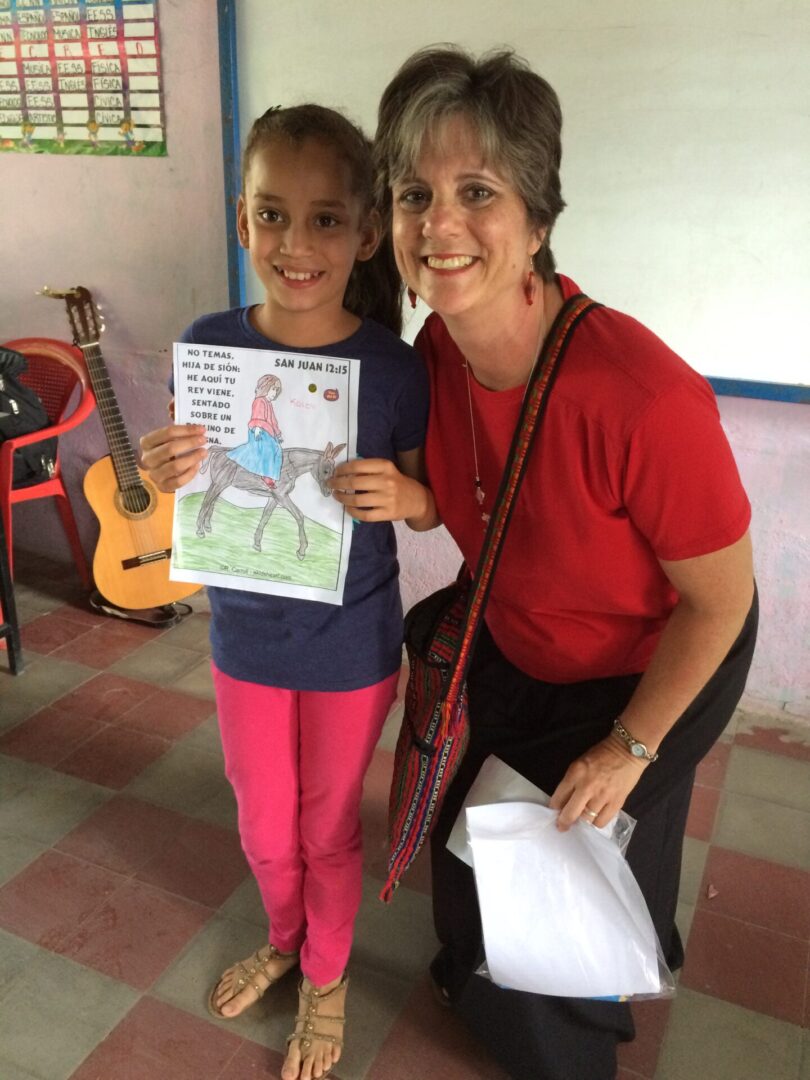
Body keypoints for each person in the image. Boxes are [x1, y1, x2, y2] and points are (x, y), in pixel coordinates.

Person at [331, 46, 757, 1080]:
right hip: (515, 637)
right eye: (413, 194)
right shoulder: (436, 350)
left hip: (650, 664)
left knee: (565, 887)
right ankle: (503, 963)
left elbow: (718, 603)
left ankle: (573, 1038)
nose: (438, 225)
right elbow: (454, 507)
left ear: (536, 220)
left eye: (476, 192)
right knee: (466, 853)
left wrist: (631, 749)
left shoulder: (642, 397)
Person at [139, 104, 430, 1080]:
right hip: (246, 643)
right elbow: (184, 477)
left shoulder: (394, 368)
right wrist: (162, 467)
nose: (295, 244)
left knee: (328, 820)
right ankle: (285, 933)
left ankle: (328, 974)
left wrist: (411, 493)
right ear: (241, 221)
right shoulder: (214, 347)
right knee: (264, 820)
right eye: (271, 216)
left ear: (367, 231)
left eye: (324, 220)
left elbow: (434, 509)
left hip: (351, 646)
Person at [226, 373, 283, 489]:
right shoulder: (259, 401)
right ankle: (266, 475)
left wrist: (278, 434)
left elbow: (273, 421)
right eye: (273, 390)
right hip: (258, 431)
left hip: (269, 433)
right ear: (265, 388)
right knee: (268, 449)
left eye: (276, 391)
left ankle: (271, 474)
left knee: (277, 449)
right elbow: (257, 417)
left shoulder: (269, 404)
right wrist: (257, 429)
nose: (274, 393)